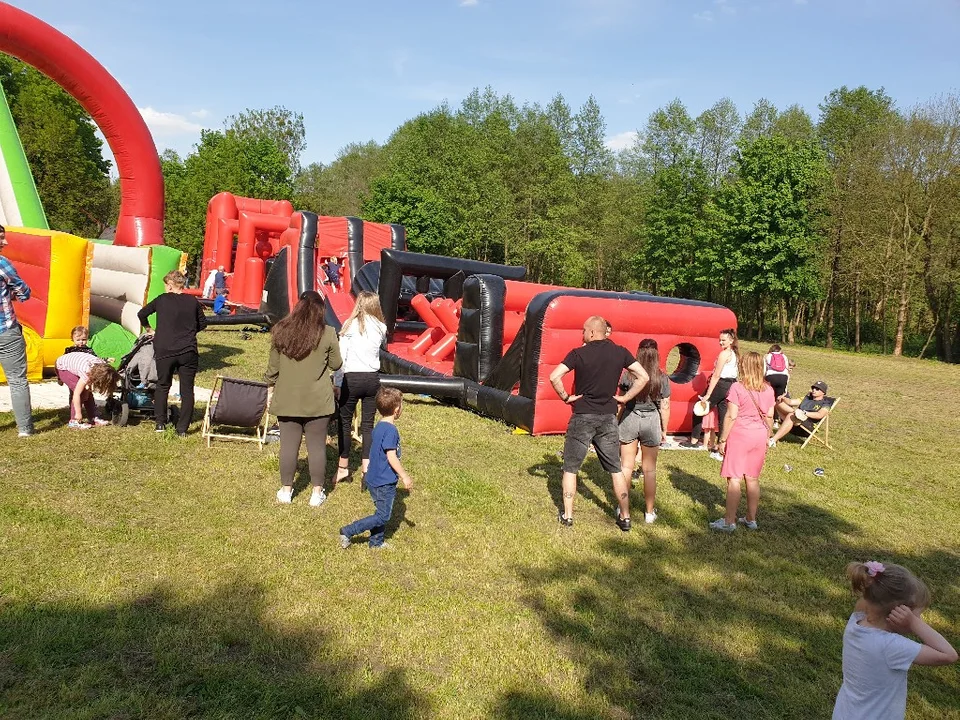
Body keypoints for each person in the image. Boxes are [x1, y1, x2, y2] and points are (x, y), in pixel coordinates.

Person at [548, 315, 649, 531]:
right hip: (608, 418)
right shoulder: (620, 352)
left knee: (571, 467)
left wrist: (566, 397)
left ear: (592, 332)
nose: (582, 334)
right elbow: (643, 377)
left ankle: (567, 516)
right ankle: (626, 516)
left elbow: (554, 377)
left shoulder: (578, 353)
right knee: (615, 468)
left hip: (582, 416)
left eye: (584, 330)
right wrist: (625, 398)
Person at [832, 561, 957, 720]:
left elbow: (871, 598)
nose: (919, 620)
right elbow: (948, 655)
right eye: (917, 616)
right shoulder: (892, 646)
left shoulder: (855, 623)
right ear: (898, 613)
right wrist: (914, 624)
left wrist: (875, 581)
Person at [265, 291, 342, 506]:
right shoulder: (328, 333)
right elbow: (336, 364)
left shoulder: (281, 330)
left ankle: (286, 490)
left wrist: (269, 385)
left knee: (288, 447)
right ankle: (317, 493)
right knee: (317, 447)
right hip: (318, 400)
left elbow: (273, 368)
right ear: (321, 311)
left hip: (287, 397)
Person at [339, 387, 412, 549]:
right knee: (383, 516)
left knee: (380, 512)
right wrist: (404, 476)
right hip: (383, 481)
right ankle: (348, 531)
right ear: (397, 410)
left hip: (373, 477)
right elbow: (391, 457)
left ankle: (376, 543)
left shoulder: (378, 426)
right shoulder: (391, 430)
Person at [710, 351, 775, 532]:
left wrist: (722, 439)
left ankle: (729, 521)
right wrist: (768, 438)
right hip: (760, 435)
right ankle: (750, 518)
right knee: (753, 479)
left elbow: (731, 415)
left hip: (740, 435)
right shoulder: (769, 389)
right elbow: (770, 416)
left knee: (734, 479)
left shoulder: (738, 387)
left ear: (743, 366)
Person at [137, 271, 208, 436]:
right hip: (188, 350)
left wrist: (149, 329)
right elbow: (203, 323)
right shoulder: (192, 301)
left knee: (162, 385)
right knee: (187, 390)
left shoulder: (162, 299)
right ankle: (182, 429)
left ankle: (160, 423)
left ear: (169, 285)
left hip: (165, 349)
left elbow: (141, 314)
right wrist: (190, 331)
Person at [335, 291, 387, 483]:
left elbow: (341, 358)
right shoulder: (381, 327)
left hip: (351, 378)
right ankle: (367, 469)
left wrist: (337, 383)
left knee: (345, 423)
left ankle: (343, 467)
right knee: (367, 425)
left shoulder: (349, 325)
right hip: (372, 379)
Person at [618, 338, 670, 525]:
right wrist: (664, 429)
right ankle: (649, 512)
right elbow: (665, 405)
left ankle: (622, 508)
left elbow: (621, 402)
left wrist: (616, 422)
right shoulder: (661, 377)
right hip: (651, 420)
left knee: (626, 466)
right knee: (649, 470)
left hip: (630, 417)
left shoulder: (628, 376)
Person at [0, 224, 34, 437]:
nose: (5, 242)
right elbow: (23, 292)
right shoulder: (3, 264)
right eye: (1, 238)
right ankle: (25, 429)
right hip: (6, 331)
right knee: (17, 380)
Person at [688, 328, 739, 451]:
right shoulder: (734, 353)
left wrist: (708, 394)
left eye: (723, 340)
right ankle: (721, 442)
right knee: (723, 415)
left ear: (731, 340)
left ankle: (694, 440)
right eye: (719, 340)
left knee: (699, 408)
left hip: (720, 384)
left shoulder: (724, 354)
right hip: (730, 384)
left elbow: (716, 375)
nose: (721, 342)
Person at [54, 350, 120, 429]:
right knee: (80, 392)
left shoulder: (102, 367)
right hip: (62, 366)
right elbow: (77, 394)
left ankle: (93, 417)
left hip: (75, 362)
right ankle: (74, 421)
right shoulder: (86, 373)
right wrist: (78, 413)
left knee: (87, 392)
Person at [768, 380, 833, 447]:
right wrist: (783, 398)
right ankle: (768, 434)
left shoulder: (826, 404)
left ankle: (773, 440)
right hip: (796, 417)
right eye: (813, 388)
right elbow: (791, 402)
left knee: (792, 415)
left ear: (823, 392)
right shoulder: (807, 398)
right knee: (777, 403)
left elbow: (820, 415)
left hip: (808, 425)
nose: (814, 390)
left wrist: (804, 413)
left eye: (817, 389)